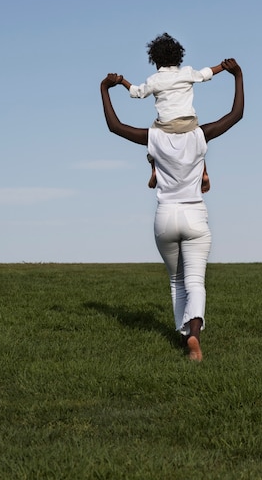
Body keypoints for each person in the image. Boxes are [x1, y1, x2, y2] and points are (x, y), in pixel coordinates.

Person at [100, 58, 244, 362]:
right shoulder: (200, 135)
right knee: (195, 282)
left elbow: (115, 127)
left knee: (176, 282)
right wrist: (237, 75)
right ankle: (194, 334)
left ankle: (183, 335)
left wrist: (106, 88)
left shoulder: (154, 138)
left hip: (165, 217)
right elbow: (235, 115)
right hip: (195, 216)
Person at [117, 32, 224, 189]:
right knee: (200, 140)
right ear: (178, 57)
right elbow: (206, 73)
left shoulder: (154, 80)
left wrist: (122, 81)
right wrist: (223, 66)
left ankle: (154, 169)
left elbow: (137, 92)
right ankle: (204, 172)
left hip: (165, 125)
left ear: (155, 61)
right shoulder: (186, 72)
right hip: (189, 122)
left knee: (152, 138)